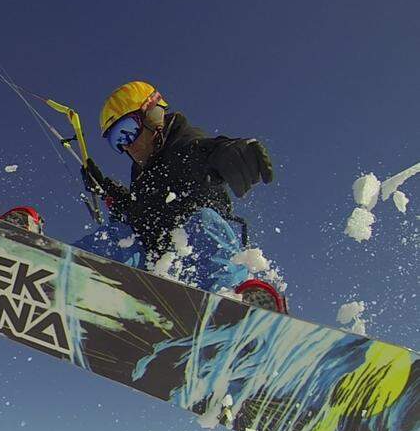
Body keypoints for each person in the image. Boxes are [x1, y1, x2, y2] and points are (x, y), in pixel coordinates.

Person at [73, 81, 286, 312]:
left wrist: (231, 151)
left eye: (128, 131)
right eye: (117, 141)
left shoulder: (185, 147)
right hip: (155, 272)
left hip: (195, 268)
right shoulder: (141, 178)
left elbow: (207, 152)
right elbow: (137, 215)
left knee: (203, 222)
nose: (127, 146)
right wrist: (108, 191)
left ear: (152, 115)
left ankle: (231, 301)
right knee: (119, 235)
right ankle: (67, 274)